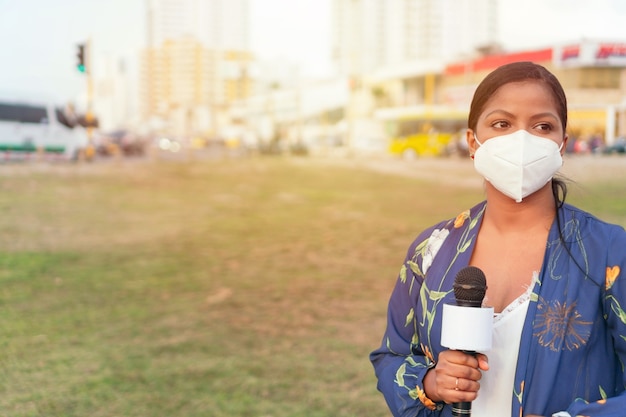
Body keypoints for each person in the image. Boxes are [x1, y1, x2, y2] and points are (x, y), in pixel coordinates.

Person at [369, 61, 626, 417]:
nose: (521, 140)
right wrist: (431, 383)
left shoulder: (609, 252)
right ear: (473, 142)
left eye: (542, 126)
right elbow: (392, 355)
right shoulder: (432, 250)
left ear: (561, 144)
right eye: (502, 124)